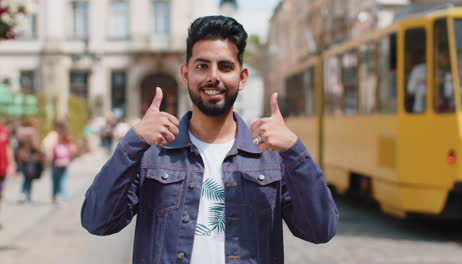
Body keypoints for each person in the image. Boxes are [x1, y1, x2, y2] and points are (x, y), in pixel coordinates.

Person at [81, 16, 338, 264]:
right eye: (202, 66)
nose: (213, 76)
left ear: (242, 77)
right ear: (185, 74)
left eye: (225, 67)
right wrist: (133, 141)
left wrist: (294, 149)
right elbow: (98, 221)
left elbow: (320, 230)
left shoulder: (270, 157)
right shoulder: (153, 153)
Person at [15, 118, 42, 203]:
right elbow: (35, 146)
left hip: (22, 158)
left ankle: (23, 193)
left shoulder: (23, 132)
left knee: (26, 177)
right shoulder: (33, 133)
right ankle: (27, 195)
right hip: (30, 158)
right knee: (29, 177)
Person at [50, 122, 76, 205]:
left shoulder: (54, 135)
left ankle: (55, 196)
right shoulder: (68, 135)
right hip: (64, 161)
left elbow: (47, 146)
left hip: (55, 161)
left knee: (55, 179)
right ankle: (63, 195)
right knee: (63, 179)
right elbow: (73, 148)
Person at [0, 121, 16, 229]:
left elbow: (7, 148)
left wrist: (12, 164)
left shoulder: (3, 129)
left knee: (0, 194)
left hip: (2, 168)